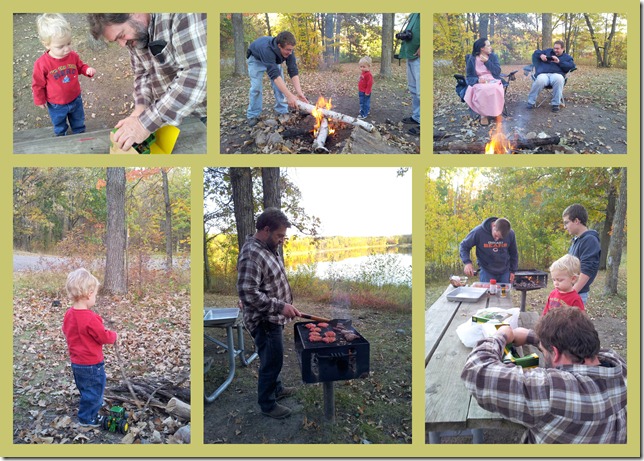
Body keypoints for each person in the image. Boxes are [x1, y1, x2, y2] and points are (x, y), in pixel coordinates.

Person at [461, 306, 626, 443]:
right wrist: (531, 337)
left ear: (554, 352)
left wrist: (501, 335)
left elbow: (476, 370)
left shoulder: (552, 391)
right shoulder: (618, 365)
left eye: (545, 350)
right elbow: (571, 345)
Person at [87, 13, 207, 151]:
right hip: (163, 118)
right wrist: (140, 110)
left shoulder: (182, 14)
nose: (122, 44)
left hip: (200, 116)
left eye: (121, 35)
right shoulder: (135, 35)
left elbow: (196, 74)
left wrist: (144, 124)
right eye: (116, 41)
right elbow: (142, 74)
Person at [237, 208, 302, 419]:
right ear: (266, 230)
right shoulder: (251, 254)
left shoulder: (267, 247)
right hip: (264, 320)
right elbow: (248, 292)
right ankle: (267, 404)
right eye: (279, 235)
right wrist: (280, 306)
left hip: (273, 317)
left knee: (274, 357)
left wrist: (283, 305)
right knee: (271, 361)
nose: (282, 240)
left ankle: (277, 389)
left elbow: (257, 284)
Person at [62, 268, 117, 426]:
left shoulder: (69, 314)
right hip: (92, 364)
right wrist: (114, 336)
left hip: (77, 363)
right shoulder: (91, 318)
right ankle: (87, 418)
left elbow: (66, 330)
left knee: (86, 389)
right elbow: (103, 336)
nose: (95, 298)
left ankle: (90, 407)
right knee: (95, 391)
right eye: (95, 295)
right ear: (89, 293)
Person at [32, 14, 96, 137]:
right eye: (61, 46)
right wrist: (39, 99)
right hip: (56, 104)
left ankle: (79, 133)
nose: (67, 49)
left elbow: (80, 66)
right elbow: (37, 84)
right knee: (59, 123)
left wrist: (87, 69)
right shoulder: (42, 64)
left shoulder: (72, 56)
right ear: (47, 44)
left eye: (69, 43)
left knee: (78, 119)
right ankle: (61, 137)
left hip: (75, 98)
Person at [245, 31, 309, 127]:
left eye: (291, 50)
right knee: (256, 88)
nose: (290, 52)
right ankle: (253, 115)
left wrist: (299, 93)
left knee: (280, 86)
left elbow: (293, 70)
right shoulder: (266, 49)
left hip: (273, 60)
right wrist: (289, 96)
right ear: (279, 46)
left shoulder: (289, 50)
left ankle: (282, 111)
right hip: (256, 59)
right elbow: (274, 75)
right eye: (288, 50)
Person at [459, 217, 518, 284]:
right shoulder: (478, 232)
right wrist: (467, 262)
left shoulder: (510, 234)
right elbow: (464, 246)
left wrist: (513, 271)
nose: (497, 239)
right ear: (494, 226)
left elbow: (514, 253)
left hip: (505, 271)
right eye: (496, 235)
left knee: (504, 294)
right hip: (486, 271)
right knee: (488, 294)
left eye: (500, 238)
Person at [562, 204, 601, 305]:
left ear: (576, 221)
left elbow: (587, 270)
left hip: (577, 294)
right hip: (570, 290)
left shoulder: (590, 240)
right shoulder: (577, 240)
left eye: (566, 223)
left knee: (572, 321)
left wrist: (571, 293)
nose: (564, 227)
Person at [463, 37, 504, 126]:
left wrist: (487, 62)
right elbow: (469, 76)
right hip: (479, 81)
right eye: (488, 46)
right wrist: (477, 80)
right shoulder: (472, 59)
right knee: (482, 89)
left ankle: (496, 113)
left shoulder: (493, 56)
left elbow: (497, 71)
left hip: (493, 79)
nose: (490, 47)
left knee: (495, 87)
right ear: (482, 48)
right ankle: (483, 115)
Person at [527, 40, 575, 112]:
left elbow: (571, 66)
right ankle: (531, 102)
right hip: (543, 74)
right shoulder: (548, 52)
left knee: (558, 79)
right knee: (540, 80)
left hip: (557, 75)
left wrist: (559, 62)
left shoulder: (567, 57)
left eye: (557, 49)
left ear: (563, 49)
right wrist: (541, 55)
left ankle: (555, 104)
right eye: (554, 48)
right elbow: (536, 53)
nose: (555, 50)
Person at [398, 13, 420, 136]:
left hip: (420, 57)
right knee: (413, 89)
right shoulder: (413, 14)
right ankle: (417, 116)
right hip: (410, 55)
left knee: (422, 91)